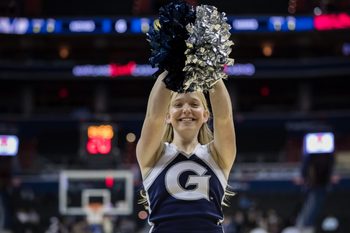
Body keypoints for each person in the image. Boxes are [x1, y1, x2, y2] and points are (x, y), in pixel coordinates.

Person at [136, 70, 236, 233]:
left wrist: (209, 65)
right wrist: (170, 64)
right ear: (167, 116)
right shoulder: (154, 155)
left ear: (205, 115)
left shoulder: (217, 156)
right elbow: (153, 117)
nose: (186, 110)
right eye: (178, 104)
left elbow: (224, 118)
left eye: (194, 104)